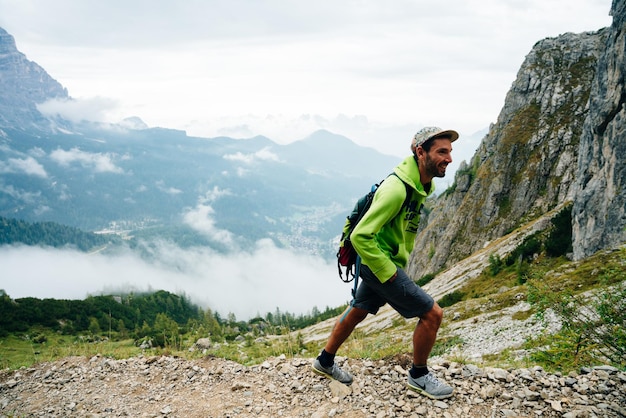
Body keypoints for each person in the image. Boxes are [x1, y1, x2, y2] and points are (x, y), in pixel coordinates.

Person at [312, 127, 458, 400]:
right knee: (432, 314)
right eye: (442, 151)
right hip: (379, 263)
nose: (449, 158)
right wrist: (388, 272)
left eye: (450, 152)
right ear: (420, 152)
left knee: (358, 310)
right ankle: (418, 375)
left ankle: (325, 361)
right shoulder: (397, 189)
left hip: (381, 261)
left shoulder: (420, 184)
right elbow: (360, 235)